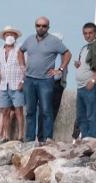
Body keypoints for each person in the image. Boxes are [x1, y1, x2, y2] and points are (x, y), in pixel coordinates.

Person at [20, 17, 70, 146]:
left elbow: (67, 54)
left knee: (46, 110)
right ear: (35, 26)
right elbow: (20, 51)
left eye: (44, 26)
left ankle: (47, 139)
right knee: (30, 111)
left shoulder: (54, 41)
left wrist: (60, 69)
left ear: (48, 27)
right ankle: (30, 140)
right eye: (38, 25)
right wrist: (22, 65)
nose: (41, 28)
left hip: (45, 81)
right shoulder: (29, 39)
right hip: (29, 80)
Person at [74, 22, 96, 140]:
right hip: (80, 87)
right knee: (81, 116)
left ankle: (92, 140)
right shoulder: (84, 48)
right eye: (85, 33)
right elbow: (86, 64)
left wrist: (93, 80)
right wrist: (78, 64)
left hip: (91, 86)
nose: (88, 35)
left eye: (90, 33)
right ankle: (85, 138)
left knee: (92, 115)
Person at [0, 26, 25, 142]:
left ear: (16, 37)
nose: (9, 37)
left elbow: (25, 67)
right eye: (7, 34)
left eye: (12, 34)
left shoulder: (20, 49)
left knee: (18, 110)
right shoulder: (0, 51)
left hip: (16, 84)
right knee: (5, 111)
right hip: (3, 85)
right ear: (4, 37)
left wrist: (23, 81)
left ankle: (21, 136)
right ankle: (6, 136)